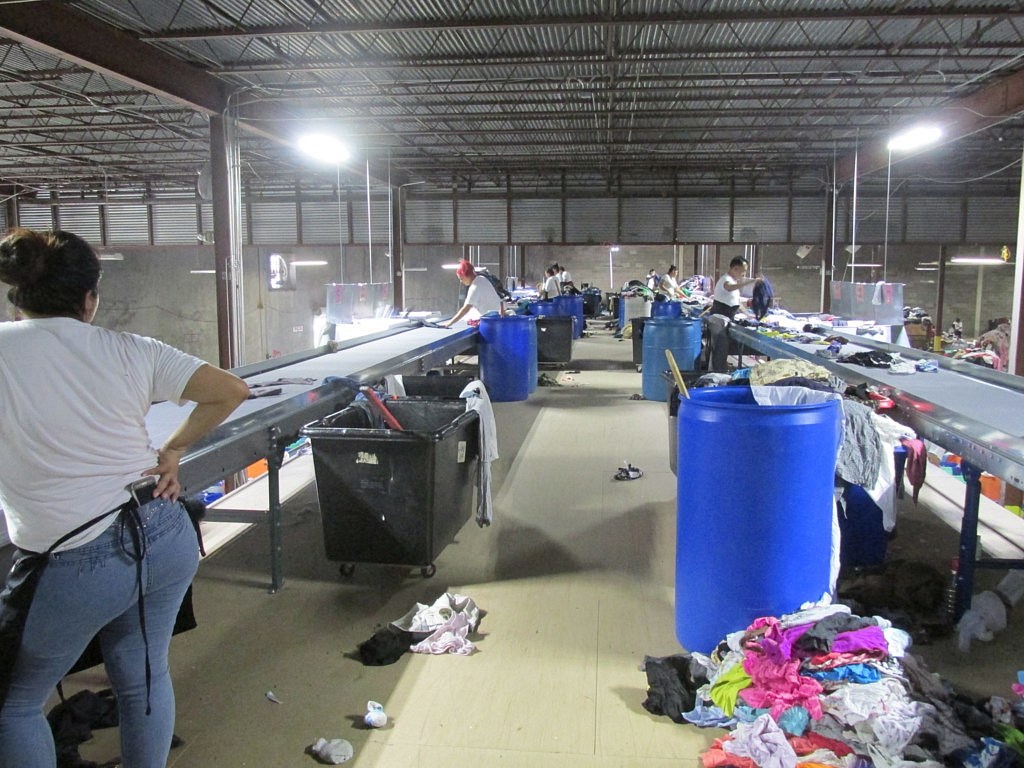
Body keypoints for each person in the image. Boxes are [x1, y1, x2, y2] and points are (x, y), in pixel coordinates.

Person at [0, 228, 250, 768]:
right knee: (143, 676)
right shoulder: (131, 348)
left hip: (74, 559)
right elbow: (231, 390)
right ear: (90, 299)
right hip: (163, 529)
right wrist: (173, 449)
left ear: (17, 297)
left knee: (13, 704)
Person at [441, 259, 504, 327]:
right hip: (497, 317)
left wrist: (449, 323)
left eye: (461, 278)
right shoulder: (481, 278)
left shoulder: (475, 287)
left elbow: (466, 309)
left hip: (492, 321)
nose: (461, 281)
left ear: (467, 276)